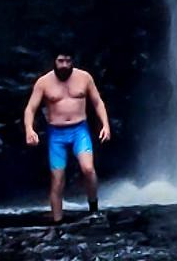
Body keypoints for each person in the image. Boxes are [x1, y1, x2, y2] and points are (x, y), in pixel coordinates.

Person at [23, 49, 111, 229]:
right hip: (57, 134)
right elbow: (30, 108)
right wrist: (29, 129)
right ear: (54, 61)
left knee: (88, 168)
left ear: (73, 62)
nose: (64, 65)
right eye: (61, 61)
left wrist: (106, 125)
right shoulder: (44, 82)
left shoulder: (84, 78)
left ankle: (93, 209)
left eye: (68, 61)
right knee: (57, 178)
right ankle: (58, 222)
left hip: (80, 130)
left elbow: (97, 102)